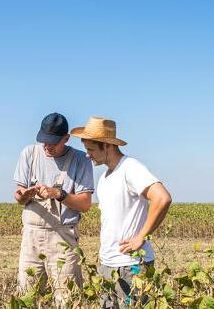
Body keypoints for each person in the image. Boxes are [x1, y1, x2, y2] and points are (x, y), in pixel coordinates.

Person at [71, 116, 172, 308]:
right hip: (108, 264)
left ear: (107, 146)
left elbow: (162, 198)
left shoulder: (130, 168)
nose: (87, 155)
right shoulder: (105, 178)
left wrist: (142, 236)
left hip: (131, 265)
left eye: (91, 150)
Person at [13, 112, 94, 304]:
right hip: (31, 236)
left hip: (63, 238)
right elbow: (18, 195)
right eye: (44, 141)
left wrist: (59, 194)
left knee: (67, 299)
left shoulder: (80, 159)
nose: (47, 146)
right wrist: (24, 196)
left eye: (53, 142)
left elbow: (85, 204)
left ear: (66, 138)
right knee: (27, 295)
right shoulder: (29, 154)